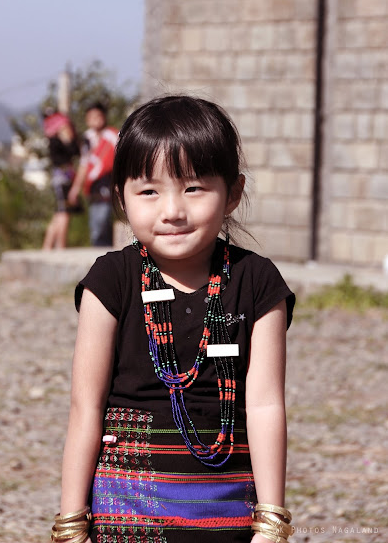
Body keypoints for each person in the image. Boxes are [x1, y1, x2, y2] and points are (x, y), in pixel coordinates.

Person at [52, 96, 296, 543]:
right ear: (121, 197)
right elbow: (85, 406)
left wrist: (271, 523)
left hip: (226, 513)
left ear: (233, 193)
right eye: (149, 190)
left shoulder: (257, 282)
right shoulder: (111, 280)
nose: (172, 211)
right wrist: (72, 524)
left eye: (194, 188)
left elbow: (264, 404)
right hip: (126, 515)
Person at [68, 101, 118, 246]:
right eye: (92, 116)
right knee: (95, 222)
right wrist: (75, 188)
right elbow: (84, 165)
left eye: (98, 116)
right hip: (92, 186)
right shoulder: (87, 139)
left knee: (103, 220)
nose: (96, 119)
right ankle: (100, 252)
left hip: (107, 183)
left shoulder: (112, 136)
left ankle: (104, 250)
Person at [42, 110, 81, 249]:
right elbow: (73, 152)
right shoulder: (55, 140)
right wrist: (67, 138)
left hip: (63, 178)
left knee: (59, 213)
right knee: (64, 213)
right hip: (63, 179)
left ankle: (47, 247)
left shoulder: (53, 138)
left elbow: (75, 151)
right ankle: (61, 246)